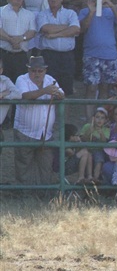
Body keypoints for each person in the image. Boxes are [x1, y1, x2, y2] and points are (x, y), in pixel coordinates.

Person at [78, 0, 117, 120]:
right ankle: (89, 121)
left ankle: (101, 119)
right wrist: (92, 11)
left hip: (110, 55)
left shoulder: (112, 10)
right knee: (91, 88)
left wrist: (111, 5)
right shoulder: (85, 11)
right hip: (91, 55)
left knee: (106, 88)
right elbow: (82, 29)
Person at [13, 56, 64, 186]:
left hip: (45, 133)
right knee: (24, 165)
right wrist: (45, 91)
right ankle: (24, 194)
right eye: (33, 70)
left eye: (40, 71)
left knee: (46, 166)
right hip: (25, 132)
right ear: (28, 69)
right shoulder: (21, 79)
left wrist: (58, 94)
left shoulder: (50, 80)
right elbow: (25, 96)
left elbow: (62, 95)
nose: (36, 74)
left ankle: (44, 195)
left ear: (45, 70)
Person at [36, 0, 80, 96]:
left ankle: (64, 114)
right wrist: (66, 27)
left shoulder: (70, 13)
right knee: (48, 88)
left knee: (67, 90)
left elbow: (75, 29)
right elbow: (45, 28)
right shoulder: (42, 14)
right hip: (49, 56)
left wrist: (55, 34)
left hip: (67, 57)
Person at [0, 0, 37, 83]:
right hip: (3, 56)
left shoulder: (29, 15)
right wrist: (10, 40)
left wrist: (21, 38)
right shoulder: (1, 11)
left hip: (21, 57)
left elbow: (32, 32)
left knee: (21, 86)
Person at [76, 107, 110, 184]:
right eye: (97, 117)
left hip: (99, 150)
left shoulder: (106, 130)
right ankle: (87, 177)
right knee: (88, 154)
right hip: (87, 149)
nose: (99, 120)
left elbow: (105, 142)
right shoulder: (87, 126)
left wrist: (101, 133)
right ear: (93, 118)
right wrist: (88, 132)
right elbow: (82, 139)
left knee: (99, 158)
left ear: (105, 120)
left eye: (102, 118)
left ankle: (95, 178)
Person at [0, 59, 22, 150]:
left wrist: (3, 96)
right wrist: (4, 93)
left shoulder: (5, 81)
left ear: (1, 70)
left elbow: (18, 94)